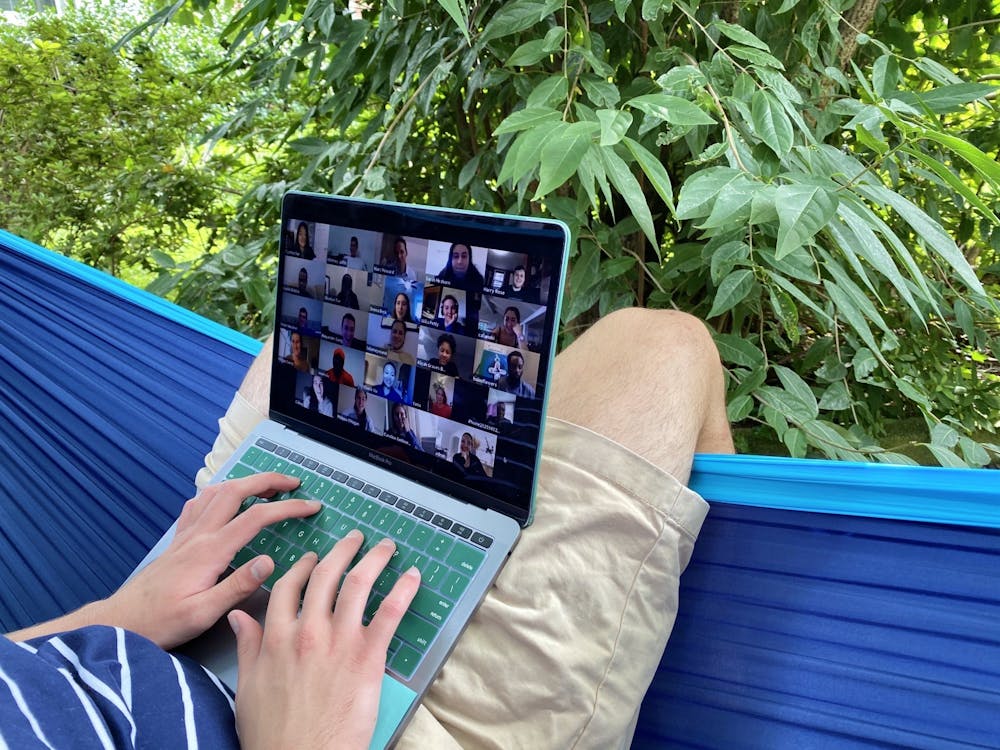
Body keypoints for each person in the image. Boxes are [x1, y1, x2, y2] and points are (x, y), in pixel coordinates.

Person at [7, 308, 734, 749]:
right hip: (349, 732)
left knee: (302, 340)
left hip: (131, 637)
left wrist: (116, 614)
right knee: (665, 345)